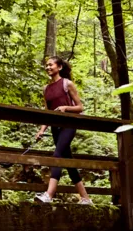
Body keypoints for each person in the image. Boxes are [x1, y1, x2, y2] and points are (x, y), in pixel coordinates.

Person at [33, 55, 91, 204]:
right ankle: (85, 198)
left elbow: (80, 107)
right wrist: (41, 130)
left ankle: (49, 195)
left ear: (59, 67)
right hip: (55, 128)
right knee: (68, 160)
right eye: (46, 65)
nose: (48, 67)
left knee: (57, 155)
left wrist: (66, 108)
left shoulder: (67, 84)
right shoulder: (46, 89)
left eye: (51, 65)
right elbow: (47, 113)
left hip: (69, 125)